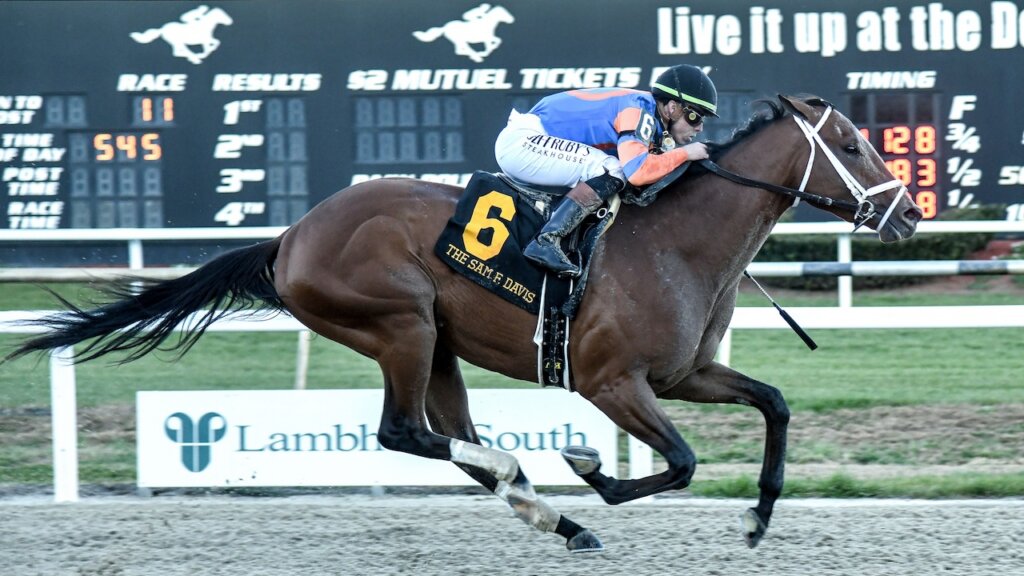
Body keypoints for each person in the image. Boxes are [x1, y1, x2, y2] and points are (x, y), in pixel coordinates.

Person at [494, 64, 718, 278]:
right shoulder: (640, 110)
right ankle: (547, 240)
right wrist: (686, 153)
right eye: (694, 116)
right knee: (614, 168)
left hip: (530, 142)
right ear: (672, 107)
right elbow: (638, 172)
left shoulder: (649, 115)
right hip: (523, 143)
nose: (699, 127)